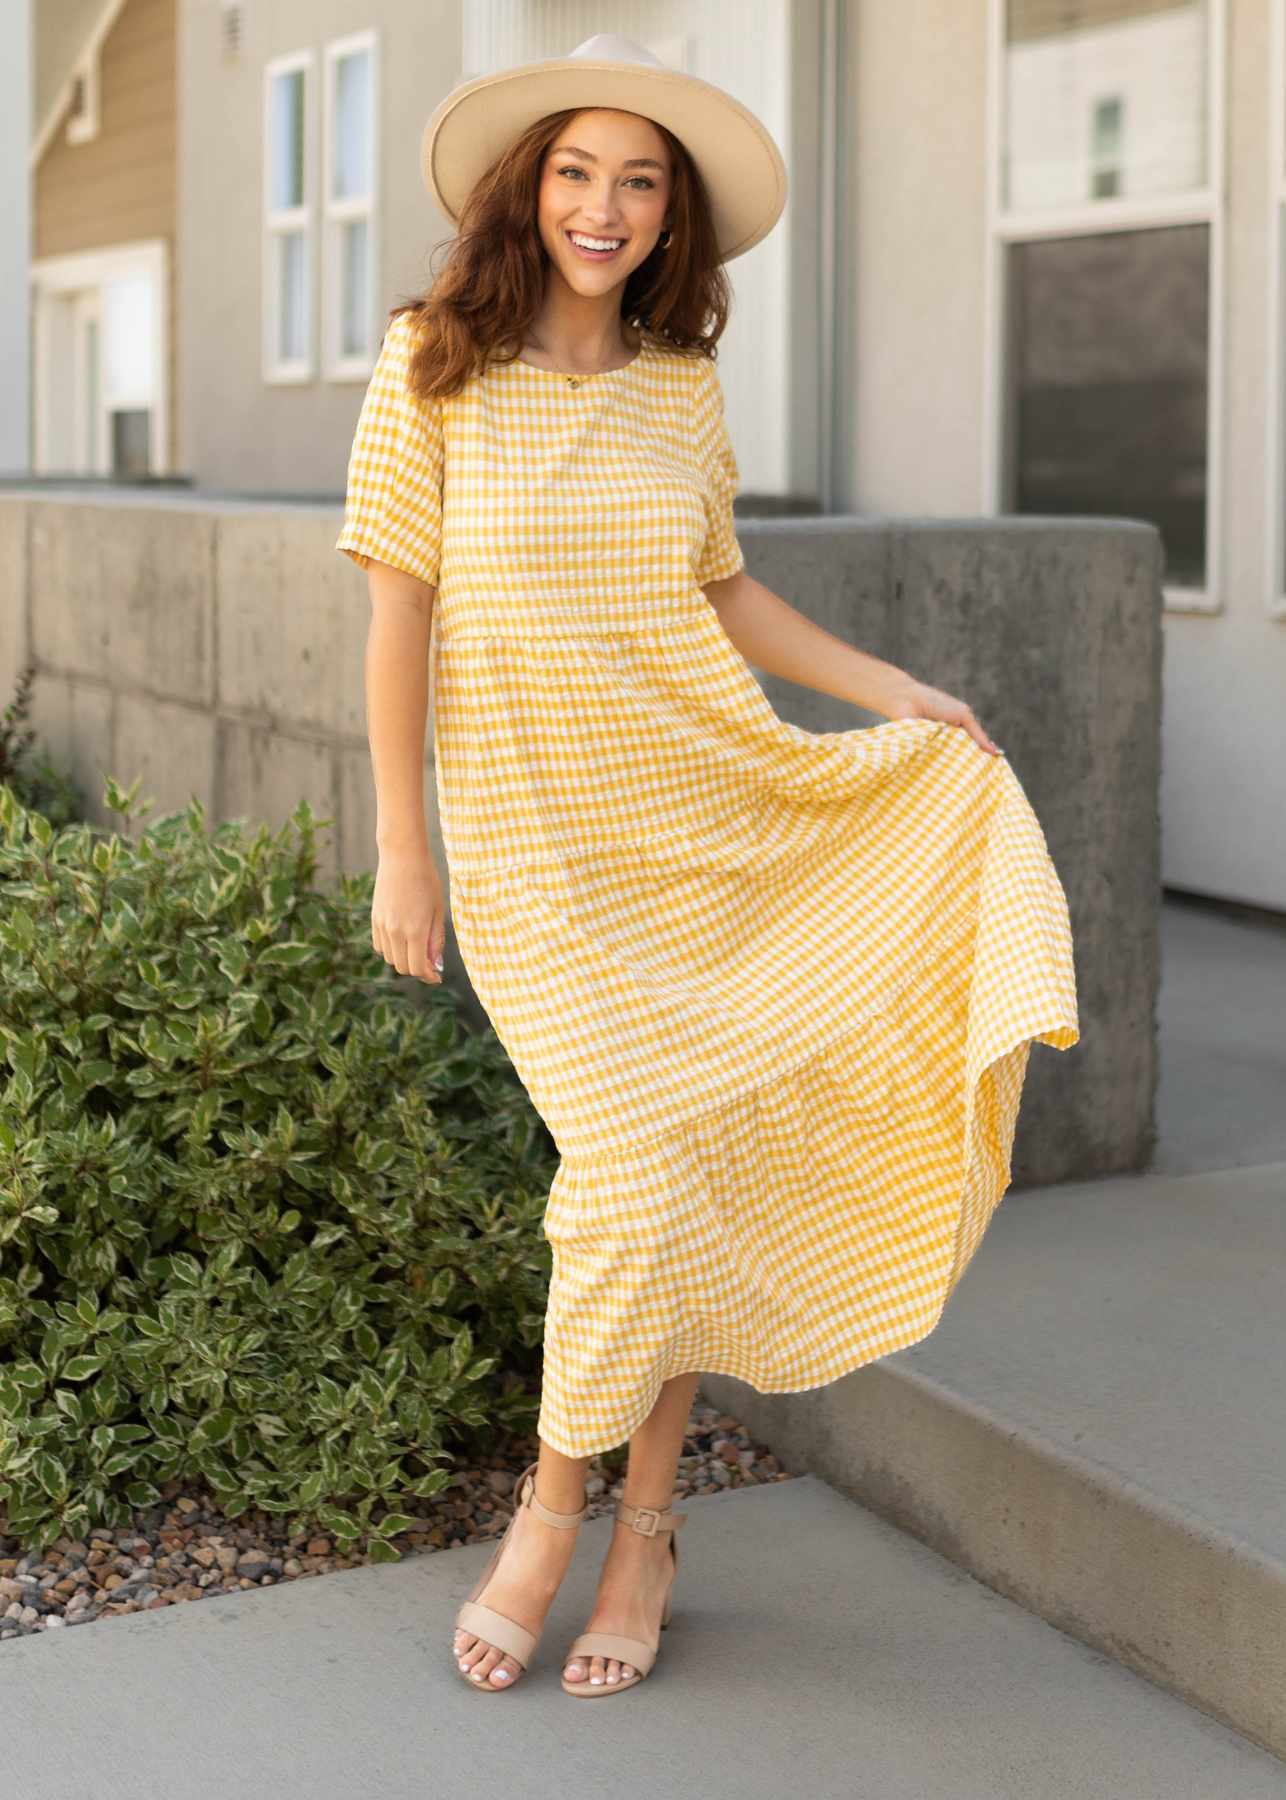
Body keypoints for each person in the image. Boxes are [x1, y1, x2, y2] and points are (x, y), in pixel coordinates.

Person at [338, 34, 1077, 1700]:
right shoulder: (431, 360)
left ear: (674, 219)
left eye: (641, 180)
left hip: (708, 811)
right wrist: (405, 843)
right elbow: (399, 612)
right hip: (534, 845)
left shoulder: (680, 382)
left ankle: (630, 1525)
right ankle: (566, 1514)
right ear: (532, 186)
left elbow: (724, 594)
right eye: (579, 171)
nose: (605, 205)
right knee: (630, 1165)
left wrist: (888, 692)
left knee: (690, 1167)